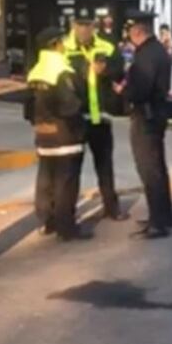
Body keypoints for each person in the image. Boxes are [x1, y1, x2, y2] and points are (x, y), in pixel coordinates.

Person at [25, 27, 91, 241]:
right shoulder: (62, 70)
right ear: (55, 45)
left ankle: (48, 221)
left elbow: (28, 109)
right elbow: (72, 105)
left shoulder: (35, 71)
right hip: (66, 136)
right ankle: (66, 227)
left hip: (43, 135)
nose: (64, 45)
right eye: (62, 42)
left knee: (46, 179)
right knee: (66, 182)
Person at [64, 14, 129, 222]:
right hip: (75, 117)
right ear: (73, 25)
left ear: (94, 26)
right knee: (71, 170)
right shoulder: (64, 46)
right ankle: (67, 215)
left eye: (88, 25)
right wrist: (82, 71)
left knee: (105, 166)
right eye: (80, 25)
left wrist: (105, 70)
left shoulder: (106, 45)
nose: (84, 29)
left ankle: (111, 208)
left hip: (100, 117)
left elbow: (120, 70)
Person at [115, 11, 172, 239]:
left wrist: (123, 92)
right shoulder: (156, 50)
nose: (129, 35)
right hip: (156, 114)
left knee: (149, 170)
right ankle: (163, 216)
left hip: (146, 117)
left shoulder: (146, 55)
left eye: (130, 30)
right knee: (157, 168)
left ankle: (158, 223)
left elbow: (141, 90)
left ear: (137, 31)